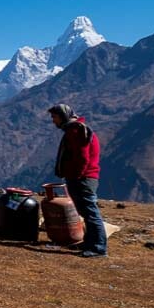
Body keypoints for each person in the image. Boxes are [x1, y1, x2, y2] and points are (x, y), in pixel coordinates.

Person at [49, 103, 107, 257]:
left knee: (90, 212)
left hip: (83, 178)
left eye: (54, 117)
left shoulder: (75, 130)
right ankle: (90, 243)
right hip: (84, 177)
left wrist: (77, 176)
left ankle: (99, 248)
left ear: (62, 116)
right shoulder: (77, 128)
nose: (53, 121)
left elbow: (82, 157)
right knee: (86, 212)